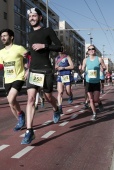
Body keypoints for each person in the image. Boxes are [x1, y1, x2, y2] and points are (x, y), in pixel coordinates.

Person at [21, 8, 63, 145]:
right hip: (33, 70)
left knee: (48, 97)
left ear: (40, 17)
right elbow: (34, 53)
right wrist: (27, 56)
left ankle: (56, 109)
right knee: (31, 99)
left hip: (45, 70)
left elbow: (59, 47)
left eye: (34, 16)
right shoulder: (29, 34)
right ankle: (29, 131)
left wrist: (44, 45)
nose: (32, 18)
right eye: (30, 16)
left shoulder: (48, 31)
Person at [0, 29, 28, 131]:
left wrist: (28, 70)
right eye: (1, 36)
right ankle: (20, 120)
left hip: (18, 77)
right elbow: (1, 66)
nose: (2, 38)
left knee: (10, 99)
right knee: (11, 103)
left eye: (5, 36)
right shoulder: (1, 52)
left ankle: (20, 115)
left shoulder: (19, 48)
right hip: (7, 79)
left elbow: (30, 57)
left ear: (11, 37)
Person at [81, 45, 106, 121]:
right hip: (88, 81)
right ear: (88, 51)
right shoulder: (85, 60)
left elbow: (104, 67)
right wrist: (80, 69)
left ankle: (99, 102)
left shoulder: (99, 59)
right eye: (89, 49)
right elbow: (82, 69)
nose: (91, 50)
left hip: (96, 82)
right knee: (91, 100)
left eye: (93, 49)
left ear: (95, 50)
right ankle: (94, 114)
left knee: (95, 99)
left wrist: (103, 68)